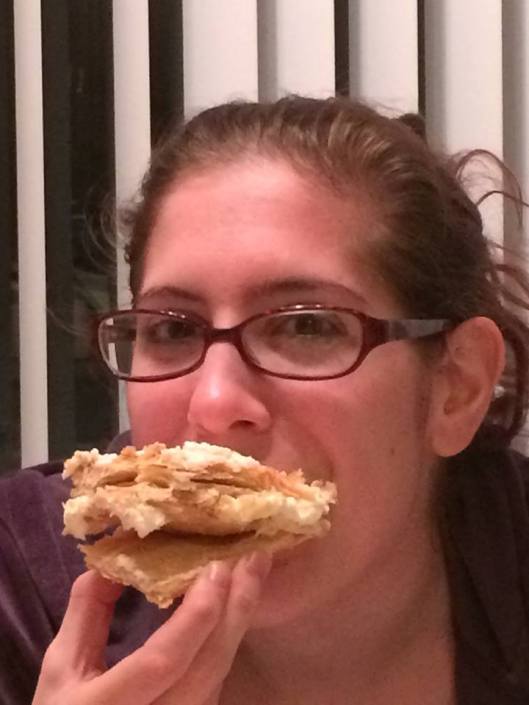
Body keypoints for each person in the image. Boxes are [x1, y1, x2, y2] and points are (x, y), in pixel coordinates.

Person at [1, 96, 529, 705]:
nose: (215, 402)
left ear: (456, 387)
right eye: (171, 329)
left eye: (307, 326)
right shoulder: (20, 588)